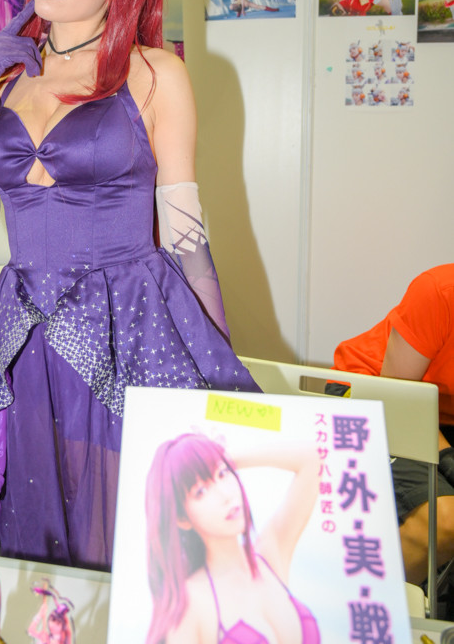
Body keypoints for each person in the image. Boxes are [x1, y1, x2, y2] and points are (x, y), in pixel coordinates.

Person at [0, 0, 260, 570]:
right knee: (36, 538)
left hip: (128, 331)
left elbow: (187, 239)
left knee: (125, 535)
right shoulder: (8, 75)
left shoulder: (154, 73)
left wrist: (218, 367)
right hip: (23, 334)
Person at [333, 265, 454, 590]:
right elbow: (397, 401)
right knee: (444, 521)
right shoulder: (440, 290)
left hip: (438, 415)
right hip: (371, 396)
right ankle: (356, 606)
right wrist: (447, 458)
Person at [145, 432, 320, 644]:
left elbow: (314, 457)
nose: (225, 495)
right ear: (182, 518)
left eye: (223, 474)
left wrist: (223, 458)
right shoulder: (190, 604)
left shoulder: (269, 555)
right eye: (201, 491)